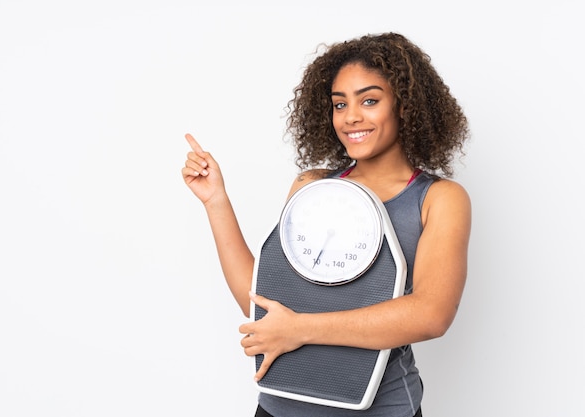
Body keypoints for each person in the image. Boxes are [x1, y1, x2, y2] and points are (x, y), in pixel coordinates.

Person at [181, 32, 471, 417]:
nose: (351, 116)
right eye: (339, 104)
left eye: (369, 100)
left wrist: (300, 328)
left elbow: (431, 315)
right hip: (279, 408)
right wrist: (216, 201)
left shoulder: (438, 198)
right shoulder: (311, 187)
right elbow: (259, 306)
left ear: (404, 107)